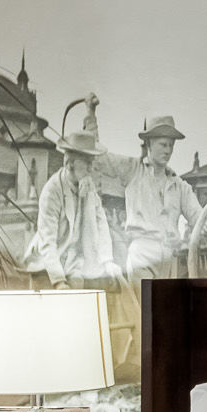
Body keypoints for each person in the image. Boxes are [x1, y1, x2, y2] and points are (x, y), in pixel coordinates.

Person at [32, 109, 121, 284]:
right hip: (48, 263)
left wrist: (108, 260)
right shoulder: (52, 191)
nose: (91, 168)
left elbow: (101, 222)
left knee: (108, 286)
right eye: (87, 162)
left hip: (76, 261)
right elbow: (47, 242)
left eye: (92, 162)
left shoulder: (88, 186)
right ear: (70, 163)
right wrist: (58, 282)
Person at [121, 116, 204, 276]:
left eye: (171, 145)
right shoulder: (133, 171)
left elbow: (199, 217)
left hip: (169, 257)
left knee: (166, 301)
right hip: (142, 254)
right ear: (149, 144)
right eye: (163, 145)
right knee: (145, 300)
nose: (168, 151)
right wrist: (91, 117)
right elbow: (99, 159)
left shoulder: (179, 186)